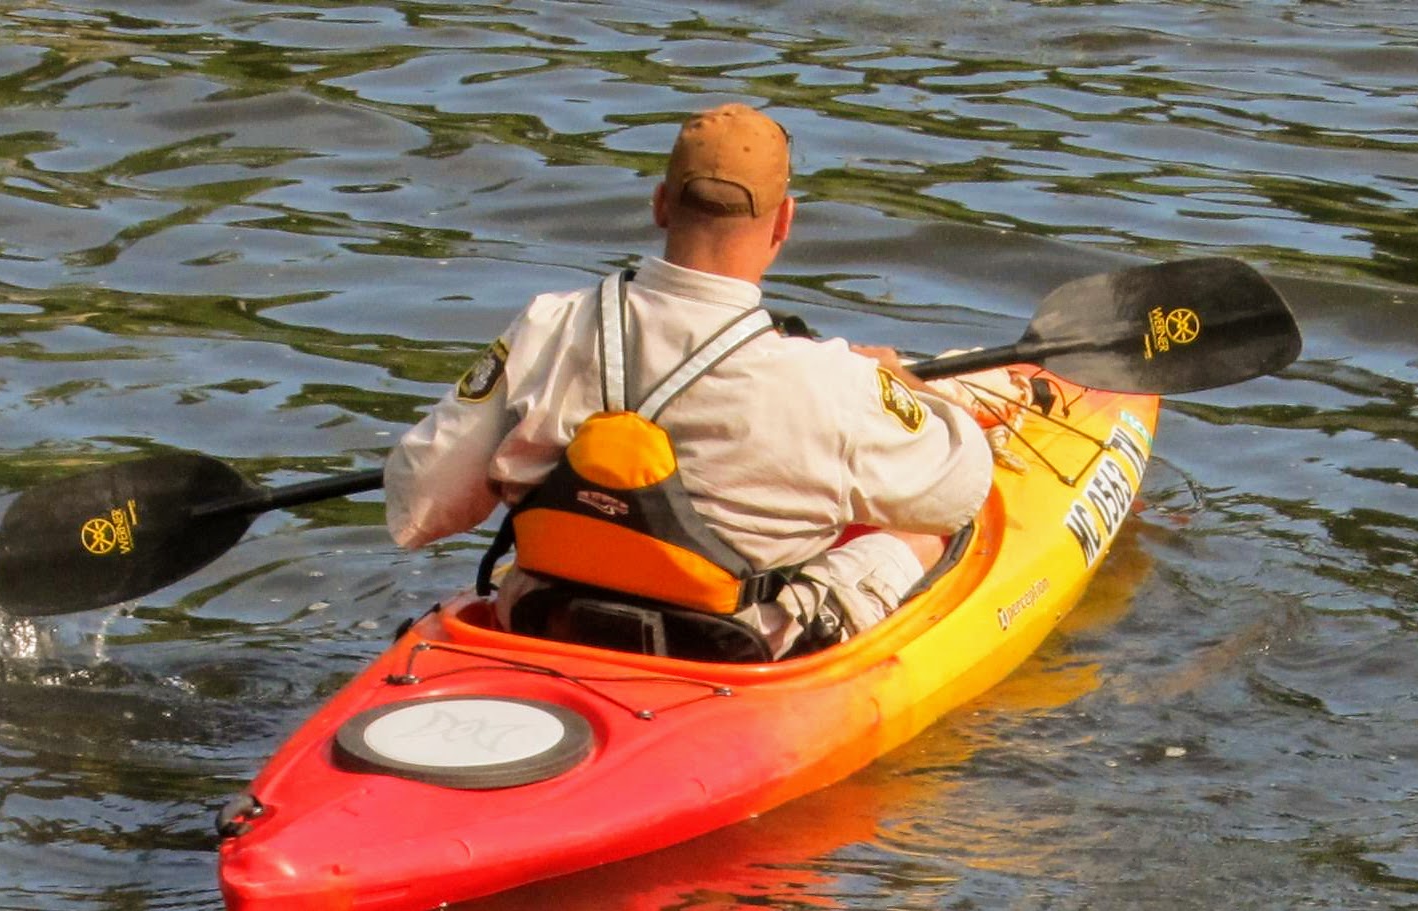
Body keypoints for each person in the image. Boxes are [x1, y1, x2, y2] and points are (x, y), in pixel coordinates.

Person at [382, 104, 1008, 657]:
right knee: (918, 527)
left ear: (659, 203)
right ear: (785, 221)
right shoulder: (831, 381)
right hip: (730, 649)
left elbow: (417, 509)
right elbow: (959, 490)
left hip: (548, 619)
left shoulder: (547, 326)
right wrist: (904, 387)